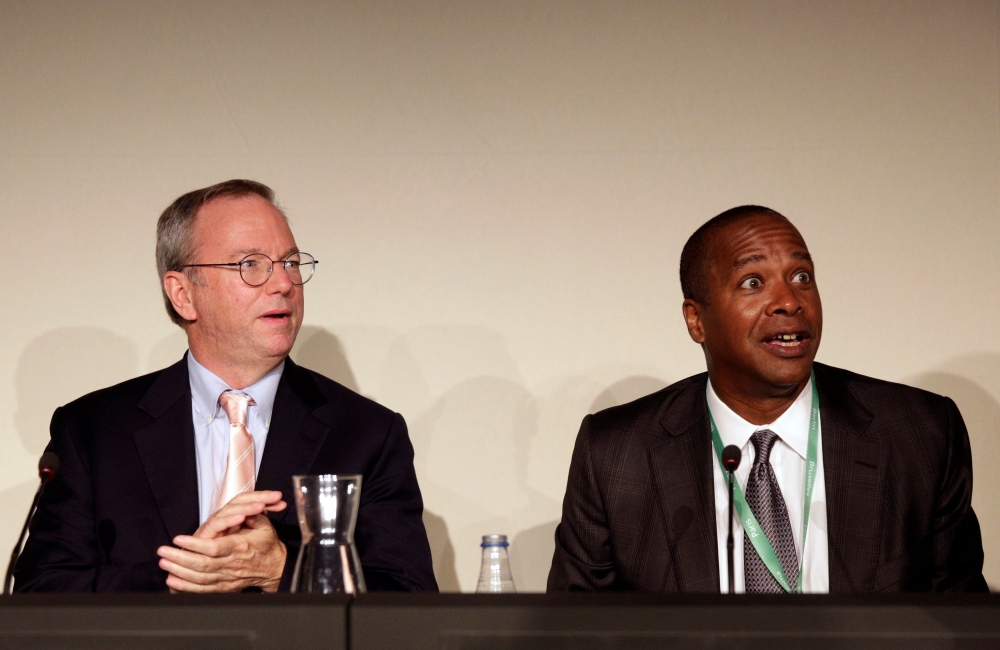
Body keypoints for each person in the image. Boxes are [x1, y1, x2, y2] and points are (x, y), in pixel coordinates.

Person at [15, 180, 438, 593]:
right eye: (250, 264)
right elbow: (42, 591)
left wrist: (281, 571)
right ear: (183, 294)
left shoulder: (367, 433)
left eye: (291, 262)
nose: (284, 283)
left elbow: (408, 601)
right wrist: (185, 580)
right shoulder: (93, 430)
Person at [547, 205, 987, 593]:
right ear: (696, 320)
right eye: (753, 282)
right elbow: (574, 634)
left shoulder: (919, 436)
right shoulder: (617, 455)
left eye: (801, 277)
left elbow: (960, 625)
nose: (789, 301)